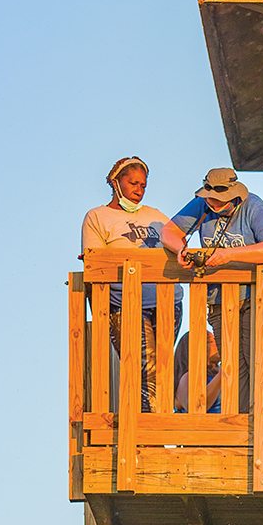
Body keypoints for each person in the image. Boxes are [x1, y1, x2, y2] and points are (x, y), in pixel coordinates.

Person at [162, 168, 263, 412]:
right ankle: (244, 429)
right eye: (208, 197)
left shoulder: (253, 206)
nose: (212, 203)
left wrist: (228, 255)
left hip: (258, 297)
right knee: (231, 365)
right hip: (220, 300)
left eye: (218, 200)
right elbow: (169, 231)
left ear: (234, 196)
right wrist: (180, 249)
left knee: (259, 362)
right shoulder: (201, 204)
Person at [81, 157, 182, 411]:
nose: (139, 190)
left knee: (161, 368)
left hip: (168, 301)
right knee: (144, 368)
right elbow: (94, 263)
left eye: (143, 185)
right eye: (133, 183)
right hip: (126, 304)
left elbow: (178, 244)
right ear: (116, 182)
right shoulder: (98, 217)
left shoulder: (156, 216)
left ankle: (155, 428)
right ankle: (147, 436)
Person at [173, 329, 221, 412]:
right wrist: (221, 375)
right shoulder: (188, 376)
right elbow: (194, 407)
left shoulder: (216, 375)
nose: (217, 344)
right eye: (210, 341)